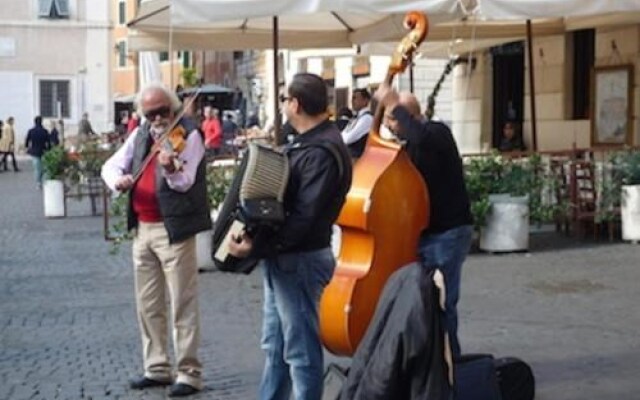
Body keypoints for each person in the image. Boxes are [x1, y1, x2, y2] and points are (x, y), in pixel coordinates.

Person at [229, 73, 353, 400]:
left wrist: (258, 245)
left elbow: (304, 219)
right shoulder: (309, 143)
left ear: (295, 104)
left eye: (285, 100)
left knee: (300, 351)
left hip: (300, 260)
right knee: (276, 345)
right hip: (285, 259)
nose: (283, 105)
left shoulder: (321, 151)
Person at [101, 82, 211, 397]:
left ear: (174, 108)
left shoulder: (187, 134)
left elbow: (185, 181)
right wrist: (118, 181)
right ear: (143, 114)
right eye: (152, 113)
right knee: (147, 304)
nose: (160, 118)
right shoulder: (139, 136)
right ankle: (157, 367)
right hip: (143, 229)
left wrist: (171, 168)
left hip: (173, 230)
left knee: (182, 302)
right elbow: (110, 165)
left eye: (165, 111)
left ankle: (189, 373)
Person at [375, 85, 473, 359]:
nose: (389, 127)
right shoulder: (410, 146)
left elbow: (421, 136)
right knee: (424, 305)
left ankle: (448, 370)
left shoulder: (436, 133)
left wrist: (394, 104)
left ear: (407, 117)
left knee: (442, 305)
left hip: (447, 233)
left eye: (391, 120)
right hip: (425, 234)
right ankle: (429, 365)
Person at [341, 88, 373, 158]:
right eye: (352, 98)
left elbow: (348, 138)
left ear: (365, 101)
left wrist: (340, 138)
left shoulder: (366, 118)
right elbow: (344, 133)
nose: (352, 101)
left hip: (358, 157)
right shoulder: (356, 117)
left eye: (355, 98)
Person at [25, 116, 51, 186]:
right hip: (43, 150)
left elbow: (27, 140)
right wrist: (49, 149)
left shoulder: (31, 131)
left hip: (34, 151)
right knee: (44, 167)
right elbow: (48, 141)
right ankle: (44, 179)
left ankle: (38, 182)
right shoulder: (45, 131)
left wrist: (27, 147)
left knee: (37, 168)